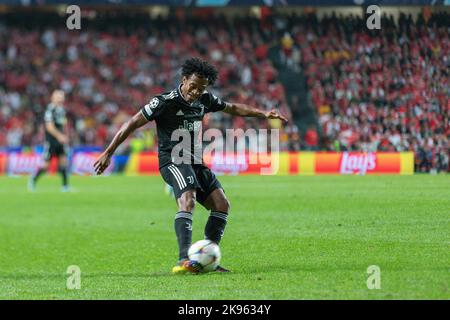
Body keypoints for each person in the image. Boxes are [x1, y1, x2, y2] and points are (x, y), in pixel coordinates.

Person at [93, 58, 287, 274]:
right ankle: (183, 259)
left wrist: (264, 113)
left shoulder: (205, 99)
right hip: (172, 160)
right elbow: (132, 123)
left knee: (222, 205)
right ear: (184, 80)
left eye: (201, 88)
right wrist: (108, 152)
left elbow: (232, 108)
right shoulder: (164, 101)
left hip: (195, 161)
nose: (196, 92)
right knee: (188, 200)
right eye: (193, 86)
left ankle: (205, 260)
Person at [29, 90, 70, 192]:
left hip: (61, 141)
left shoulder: (62, 110)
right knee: (46, 165)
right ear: (53, 98)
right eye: (58, 97)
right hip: (51, 141)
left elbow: (64, 124)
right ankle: (33, 180)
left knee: (64, 162)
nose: (60, 99)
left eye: (61, 97)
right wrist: (60, 136)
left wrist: (66, 136)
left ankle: (65, 186)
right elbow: (49, 127)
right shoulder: (49, 110)